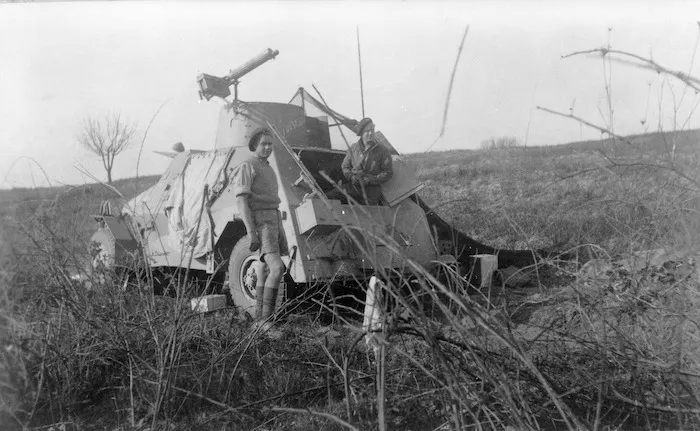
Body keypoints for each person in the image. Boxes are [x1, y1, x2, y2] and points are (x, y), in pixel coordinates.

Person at [231, 128, 288, 322]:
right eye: (263, 144)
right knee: (277, 268)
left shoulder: (268, 167)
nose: (267, 147)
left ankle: (260, 321)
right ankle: (266, 322)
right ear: (254, 145)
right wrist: (251, 231)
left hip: (273, 220)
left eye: (270, 144)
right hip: (262, 221)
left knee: (263, 269)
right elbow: (241, 201)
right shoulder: (248, 166)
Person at [339, 117, 393, 205]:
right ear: (361, 133)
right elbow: (345, 167)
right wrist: (352, 177)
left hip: (371, 191)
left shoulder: (382, 150)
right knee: (329, 196)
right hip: (354, 187)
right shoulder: (353, 148)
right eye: (367, 131)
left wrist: (370, 180)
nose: (371, 133)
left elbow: (388, 172)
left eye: (372, 130)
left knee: (368, 214)